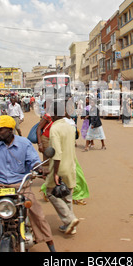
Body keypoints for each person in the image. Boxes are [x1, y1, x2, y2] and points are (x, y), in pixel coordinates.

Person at [0, 115, 55, 252]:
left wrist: (40, 168)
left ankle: (51, 245)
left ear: (10, 130)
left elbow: (34, 161)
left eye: (0, 130)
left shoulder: (24, 144)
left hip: (20, 185)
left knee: (38, 214)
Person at [45, 101, 80, 235]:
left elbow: (57, 153)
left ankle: (69, 219)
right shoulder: (69, 126)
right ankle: (71, 225)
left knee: (50, 193)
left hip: (60, 167)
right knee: (67, 196)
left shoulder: (55, 128)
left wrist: (55, 173)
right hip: (71, 165)